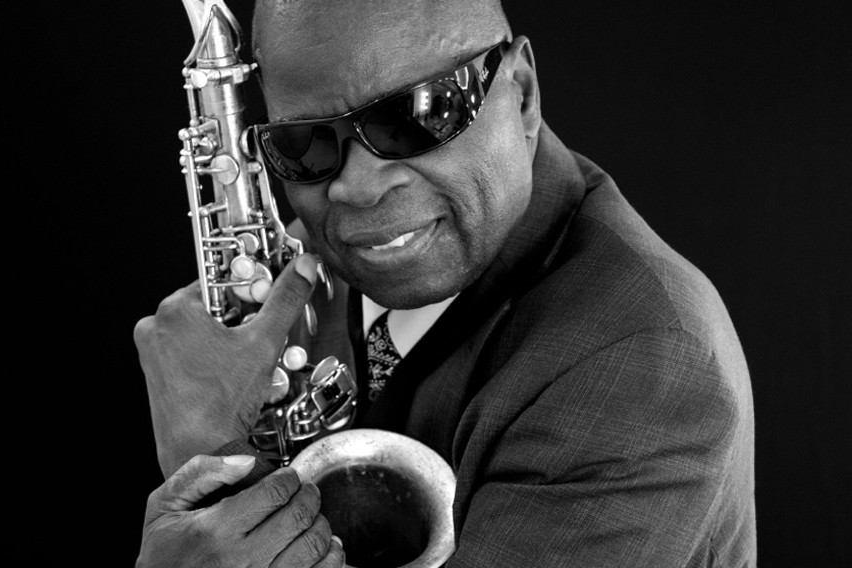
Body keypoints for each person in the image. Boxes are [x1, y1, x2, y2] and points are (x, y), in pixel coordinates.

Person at [134, 0, 756, 566]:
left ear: (521, 93)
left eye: (415, 115)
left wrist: (207, 458)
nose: (358, 188)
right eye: (304, 143)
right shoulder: (308, 265)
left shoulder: (643, 365)